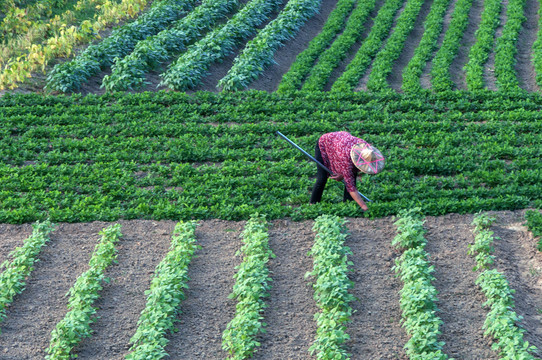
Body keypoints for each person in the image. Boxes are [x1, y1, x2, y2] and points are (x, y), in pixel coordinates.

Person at [310, 131, 385, 211]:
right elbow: (351, 186)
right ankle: (313, 204)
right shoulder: (347, 159)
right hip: (325, 143)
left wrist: (343, 174)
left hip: (340, 144)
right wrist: (363, 206)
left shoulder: (367, 150)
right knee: (322, 177)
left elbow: (352, 171)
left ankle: (348, 202)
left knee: (352, 173)